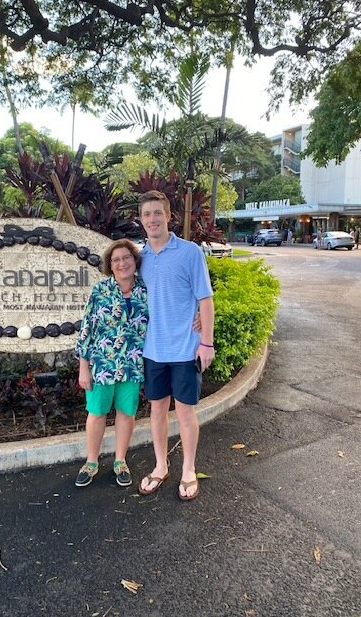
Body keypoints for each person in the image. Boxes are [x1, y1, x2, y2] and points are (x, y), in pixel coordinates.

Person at [137, 190, 215, 501]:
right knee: (156, 410)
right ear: (141, 220)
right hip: (152, 349)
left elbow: (205, 300)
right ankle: (160, 466)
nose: (152, 219)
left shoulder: (190, 252)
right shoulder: (138, 257)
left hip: (185, 348)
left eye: (158, 213)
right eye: (146, 214)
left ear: (169, 215)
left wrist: (206, 342)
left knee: (184, 412)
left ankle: (188, 469)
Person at [75, 239, 148, 488]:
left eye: (126, 257)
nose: (122, 263)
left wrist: (196, 317)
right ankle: (92, 462)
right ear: (110, 265)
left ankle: (120, 461)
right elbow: (87, 329)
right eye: (116, 260)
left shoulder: (145, 290)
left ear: (134, 260)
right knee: (97, 413)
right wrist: (83, 367)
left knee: (126, 414)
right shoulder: (101, 291)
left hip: (132, 364)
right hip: (102, 364)